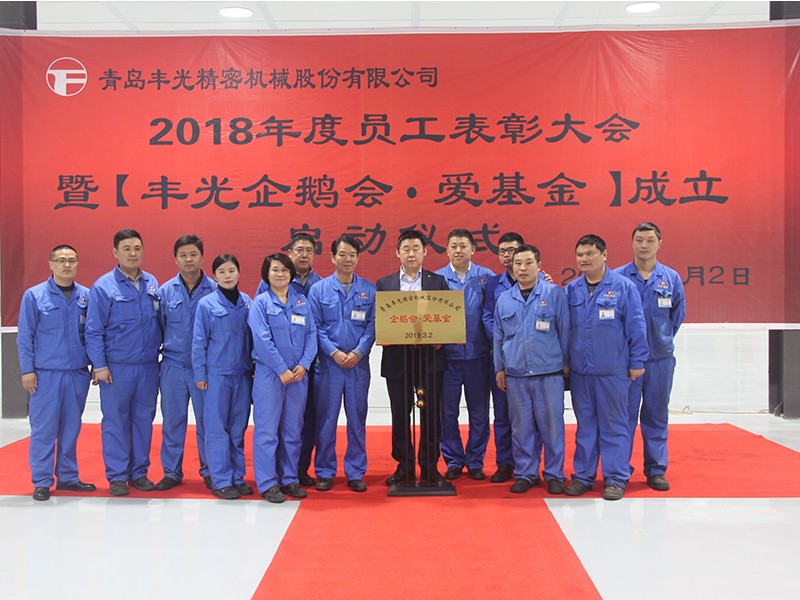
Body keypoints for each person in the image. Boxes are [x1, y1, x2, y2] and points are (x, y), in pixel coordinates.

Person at [564, 234, 648, 501]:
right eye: (580, 255)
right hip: (581, 373)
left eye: (590, 254)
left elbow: (637, 327)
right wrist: (565, 363)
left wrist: (637, 362)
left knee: (614, 425)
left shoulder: (623, 288)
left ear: (604, 255)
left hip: (613, 371)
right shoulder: (571, 290)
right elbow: (564, 330)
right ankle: (583, 476)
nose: (584, 259)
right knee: (585, 426)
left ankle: (615, 478)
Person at [85, 229, 162, 496]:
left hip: (148, 366)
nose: (132, 253)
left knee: (143, 420)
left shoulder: (152, 283)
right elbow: (93, 330)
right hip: (117, 368)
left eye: (137, 248)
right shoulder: (103, 287)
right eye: (127, 249)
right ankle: (117, 476)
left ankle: (139, 472)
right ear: (115, 252)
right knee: (116, 421)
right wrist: (100, 365)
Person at [17, 244, 96, 501]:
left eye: (72, 260)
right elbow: (25, 336)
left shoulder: (86, 296)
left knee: (71, 428)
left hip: (77, 373)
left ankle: (68, 476)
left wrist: (96, 364)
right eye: (61, 260)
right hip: (46, 374)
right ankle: (41, 481)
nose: (67, 265)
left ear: (77, 264)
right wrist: (27, 370)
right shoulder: (34, 296)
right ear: (51, 264)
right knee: (44, 429)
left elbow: (92, 334)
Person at [493, 245, 570, 495]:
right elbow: (498, 337)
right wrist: (499, 369)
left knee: (552, 427)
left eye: (528, 263)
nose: (522, 268)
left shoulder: (554, 294)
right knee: (521, 428)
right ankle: (526, 473)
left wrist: (566, 364)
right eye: (518, 264)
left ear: (539, 265)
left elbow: (565, 331)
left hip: (549, 374)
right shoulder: (504, 299)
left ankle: (555, 474)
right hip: (516, 375)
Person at [615, 222, 686, 491]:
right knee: (624, 417)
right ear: (632, 243)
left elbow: (676, 316)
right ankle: (619, 471)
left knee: (656, 414)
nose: (644, 245)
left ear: (659, 243)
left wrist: (661, 340)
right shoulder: (618, 278)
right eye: (639, 240)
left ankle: (656, 469)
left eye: (649, 240)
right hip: (627, 363)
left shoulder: (671, 278)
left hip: (660, 361)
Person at [376, 230, 449, 484]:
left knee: (430, 415)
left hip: (429, 360)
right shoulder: (384, 284)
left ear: (425, 252)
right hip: (397, 360)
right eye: (405, 249)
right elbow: (380, 321)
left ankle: (429, 467)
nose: (411, 253)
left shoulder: (437, 282)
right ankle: (404, 466)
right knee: (400, 415)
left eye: (416, 248)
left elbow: (447, 317)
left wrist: (442, 337)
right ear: (397, 253)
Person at [308, 236, 376, 493]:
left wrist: (359, 352)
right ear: (332, 257)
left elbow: (373, 326)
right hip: (329, 366)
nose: (347, 260)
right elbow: (315, 326)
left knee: (357, 419)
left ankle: (355, 471)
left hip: (358, 366)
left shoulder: (369, 290)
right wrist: (333, 352)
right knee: (326, 420)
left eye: (352, 255)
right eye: (342, 255)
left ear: (358, 258)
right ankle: (325, 471)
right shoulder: (319, 290)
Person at [250, 253, 318, 503]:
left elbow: (312, 335)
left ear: (291, 274)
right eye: (275, 270)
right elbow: (262, 340)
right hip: (270, 377)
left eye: (284, 270)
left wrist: (304, 365)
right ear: (266, 274)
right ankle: (268, 482)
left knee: (293, 430)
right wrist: (281, 369)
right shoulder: (260, 303)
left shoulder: (301, 302)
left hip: (298, 377)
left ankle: (289, 478)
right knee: (267, 431)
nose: (280, 274)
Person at [481, 232, 548, 483]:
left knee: (534, 418)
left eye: (513, 250)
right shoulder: (493, 284)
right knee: (503, 415)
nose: (508, 256)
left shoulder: (544, 283)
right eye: (502, 251)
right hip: (505, 360)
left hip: (537, 362)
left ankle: (532, 466)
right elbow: (489, 318)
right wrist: (509, 342)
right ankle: (505, 463)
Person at [156, 235, 217, 491]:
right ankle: (171, 472)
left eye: (193, 254)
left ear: (202, 257)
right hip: (173, 366)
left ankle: (211, 471)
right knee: (172, 422)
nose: (188, 259)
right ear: (176, 259)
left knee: (208, 422)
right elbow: (158, 328)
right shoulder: (165, 292)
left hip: (204, 369)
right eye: (183, 255)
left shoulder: (215, 290)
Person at [192, 254, 253, 500]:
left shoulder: (247, 302)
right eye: (222, 272)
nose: (227, 276)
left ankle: (237, 477)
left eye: (231, 271)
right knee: (217, 429)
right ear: (214, 276)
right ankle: (221, 480)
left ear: (238, 272)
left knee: (238, 429)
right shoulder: (206, 304)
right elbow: (199, 341)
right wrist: (200, 374)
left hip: (242, 375)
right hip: (216, 375)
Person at [435, 229, 495, 481]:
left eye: (463, 246)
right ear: (447, 250)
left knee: (479, 413)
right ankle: (453, 460)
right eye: (454, 246)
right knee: (447, 413)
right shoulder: (436, 279)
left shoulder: (487, 277)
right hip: (447, 358)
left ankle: (475, 461)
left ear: (473, 249)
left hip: (479, 356)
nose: (458, 250)